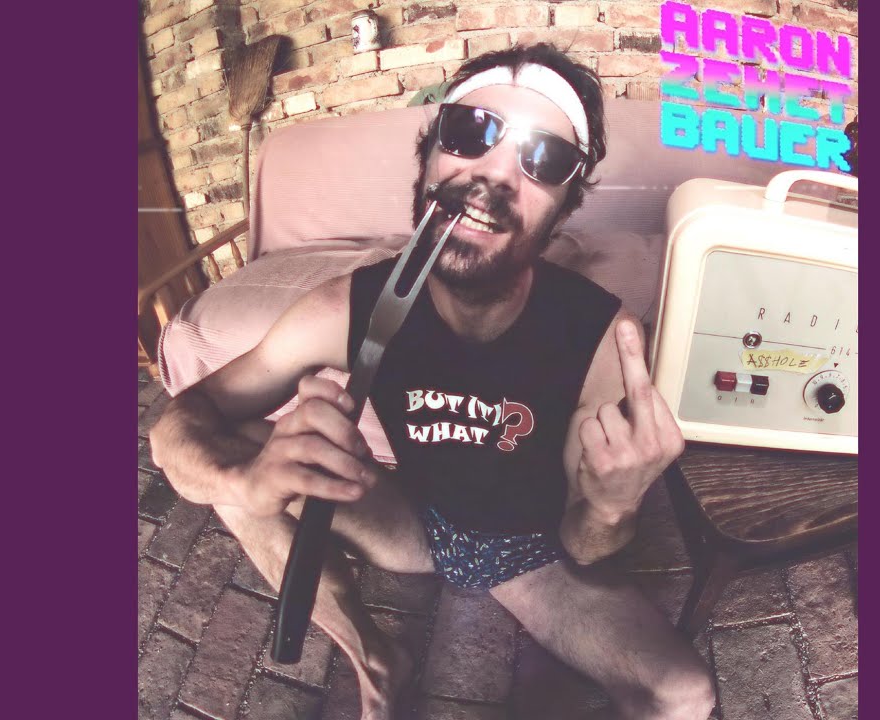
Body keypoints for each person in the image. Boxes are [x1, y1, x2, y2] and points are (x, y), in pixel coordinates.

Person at [150, 43, 717, 720]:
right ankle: (375, 661)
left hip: (534, 553)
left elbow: (584, 545)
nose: (494, 174)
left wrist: (612, 508)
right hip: (414, 522)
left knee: (684, 696)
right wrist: (244, 483)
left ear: (565, 209)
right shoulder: (351, 307)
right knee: (234, 459)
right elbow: (182, 420)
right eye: (471, 132)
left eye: (543, 160)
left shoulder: (600, 337)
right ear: (427, 161)